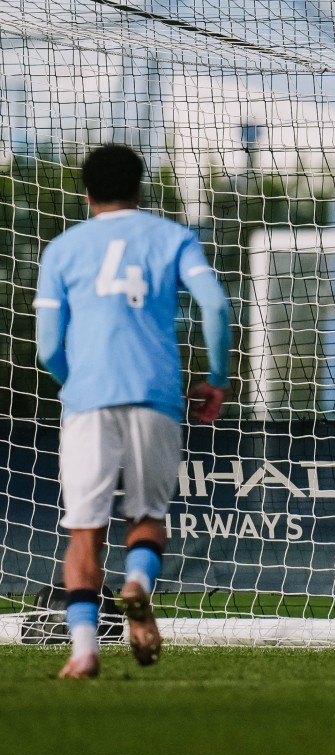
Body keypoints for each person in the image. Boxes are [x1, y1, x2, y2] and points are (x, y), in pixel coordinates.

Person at [35, 144, 230, 679]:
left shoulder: (63, 249)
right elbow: (215, 303)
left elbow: (47, 347)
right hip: (155, 395)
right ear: (140, 189)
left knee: (85, 532)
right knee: (147, 517)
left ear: (87, 194)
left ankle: (84, 651)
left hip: (88, 403)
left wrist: (78, 384)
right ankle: (138, 585)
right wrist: (215, 378)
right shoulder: (173, 237)